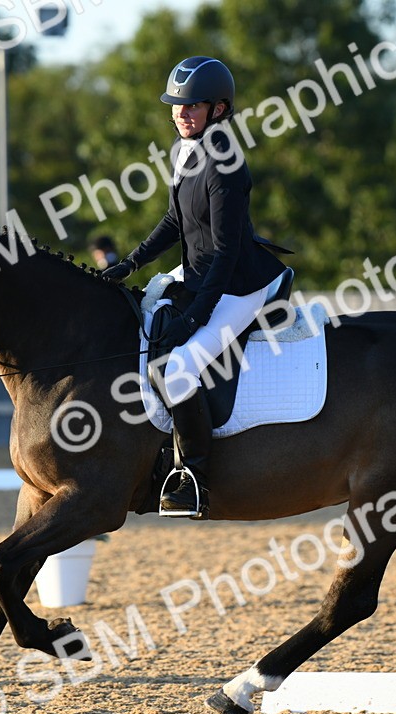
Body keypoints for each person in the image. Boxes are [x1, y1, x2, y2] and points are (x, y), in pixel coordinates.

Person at [100, 56, 290, 519]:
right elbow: (174, 220)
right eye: (176, 105)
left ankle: (192, 478)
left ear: (218, 109)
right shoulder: (184, 148)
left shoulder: (225, 165)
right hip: (199, 273)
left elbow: (226, 253)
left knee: (180, 367)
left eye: (192, 106)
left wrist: (196, 316)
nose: (181, 113)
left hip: (238, 285)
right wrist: (131, 263)